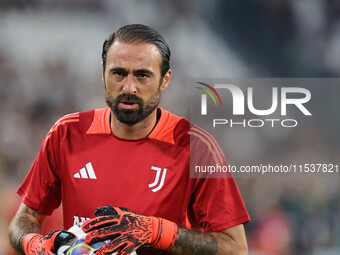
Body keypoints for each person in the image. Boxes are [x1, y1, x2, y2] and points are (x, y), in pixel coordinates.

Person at [8, 24, 250, 255]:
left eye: (142, 75)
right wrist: (33, 245)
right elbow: (23, 221)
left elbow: (235, 248)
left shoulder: (195, 146)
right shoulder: (66, 134)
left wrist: (155, 231)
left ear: (165, 80)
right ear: (103, 74)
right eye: (119, 73)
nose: (129, 87)